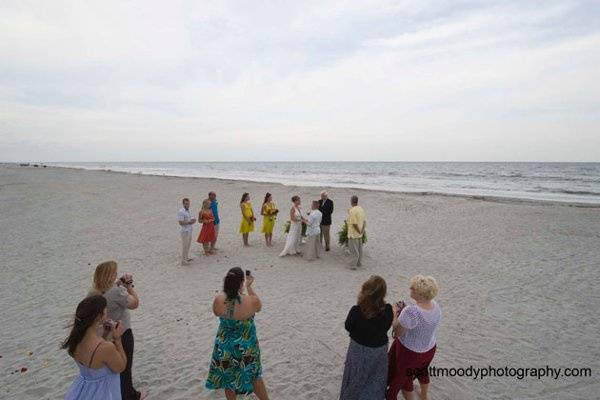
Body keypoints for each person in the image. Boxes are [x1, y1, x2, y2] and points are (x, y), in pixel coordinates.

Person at [206, 268, 269, 400]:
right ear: (241, 283)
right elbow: (259, 307)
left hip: (225, 346)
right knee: (255, 376)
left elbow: (217, 313)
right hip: (247, 347)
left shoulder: (218, 300)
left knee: (228, 380)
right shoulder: (251, 301)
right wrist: (249, 287)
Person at [91, 261, 145, 400]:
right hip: (120, 332)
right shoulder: (116, 291)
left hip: (102, 335)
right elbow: (135, 303)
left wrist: (119, 283)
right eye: (114, 273)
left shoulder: (93, 291)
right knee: (124, 366)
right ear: (110, 275)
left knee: (111, 369)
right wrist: (129, 287)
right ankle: (130, 395)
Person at [386, 275, 441, 400]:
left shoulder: (412, 312)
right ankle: (424, 395)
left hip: (410, 352)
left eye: (413, 288)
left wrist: (394, 313)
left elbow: (398, 331)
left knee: (401, 379)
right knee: (422, 372)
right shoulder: (435, 306)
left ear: (420, 295)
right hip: (429, 348)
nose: (410, 288)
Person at [63, 295, 126, 400]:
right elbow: (121, 367)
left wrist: (105, 335)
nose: (107, 311)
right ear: (99, 316)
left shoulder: (74, 340)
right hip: (103, 393)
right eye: (105, 309)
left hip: (82, 390)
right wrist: (117, 338)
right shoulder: (105, 348)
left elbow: (97, 360)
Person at [340, 276, 393, 400]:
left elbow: (348, 327)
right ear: (383, 294)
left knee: (355, 376)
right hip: (378, 350)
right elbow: (387, 326)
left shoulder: (356, 311)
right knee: (376, 377)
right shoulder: (388, 310)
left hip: (358, 349)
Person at [347, 195, 366, 269]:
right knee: (359, 250)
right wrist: (362, 231)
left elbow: (354, 224)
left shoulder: (352, 210)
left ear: (351, 201)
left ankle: (353, 265)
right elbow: (364, 222)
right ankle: (359, 263)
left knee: (353, 250)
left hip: (353, 234)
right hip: (360, 233)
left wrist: (359, 231)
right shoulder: (361, 209)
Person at [177, 198, 196, 265]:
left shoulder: (189, 211)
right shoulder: (181, 211)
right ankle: (183, 261)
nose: (187, 205)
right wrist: (189, 222)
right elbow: (180, 222)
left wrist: (193, 220)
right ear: (183, 204)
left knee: (188, 245)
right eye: (186, 203)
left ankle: (186, 257)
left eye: (188, 203)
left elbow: (192, 218)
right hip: (185, 231)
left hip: (190, 230)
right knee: (185, 246)